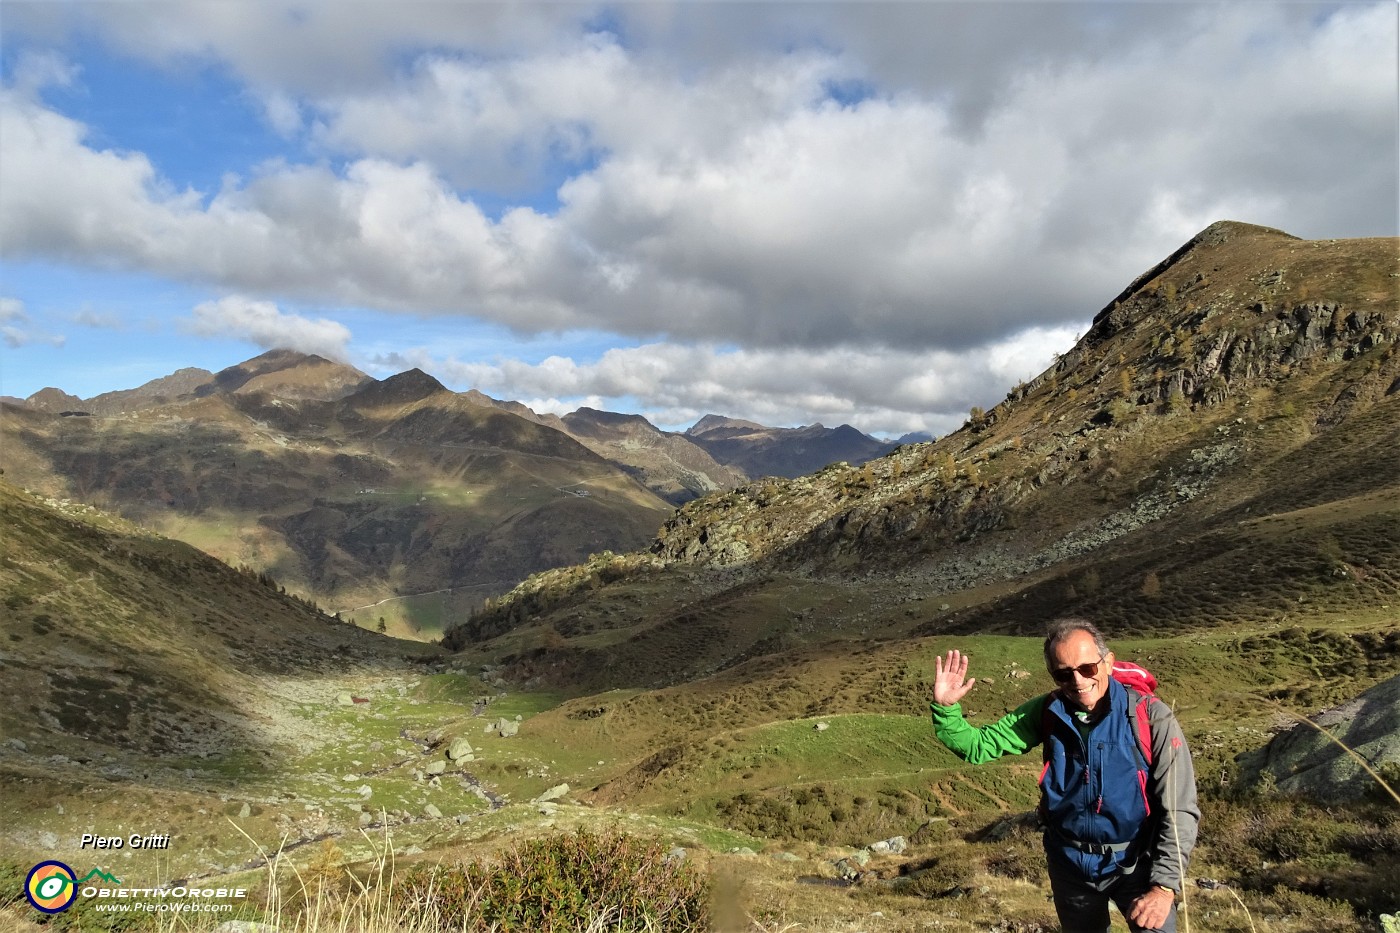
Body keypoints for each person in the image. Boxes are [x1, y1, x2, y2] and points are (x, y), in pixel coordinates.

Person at [929, 617, 1200, 933]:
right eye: (1063, 673)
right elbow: (979, 746)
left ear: (1108, 662)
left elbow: (1180, 809)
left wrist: (1164, 887)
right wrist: (946, 710)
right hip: (1069, 866)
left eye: (1087, 668)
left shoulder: (1151, 717)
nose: (1077, 680)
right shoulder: (1047, 711)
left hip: (1137, 863)